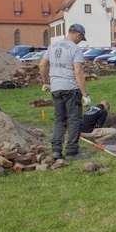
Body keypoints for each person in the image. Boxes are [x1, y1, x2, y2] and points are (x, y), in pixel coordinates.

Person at [39, 23, 91, 160]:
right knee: (74, 119)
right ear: (78, 34)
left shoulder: (53, 46)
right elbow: (78, 73)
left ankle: (56, 150)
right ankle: (72, 151)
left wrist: (46, 82)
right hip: (71, 89)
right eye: (81, 38)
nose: (80, 41)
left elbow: (42, 65)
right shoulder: (76, 49)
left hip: (56, 88)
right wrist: (85, 94)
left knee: (59, 120)